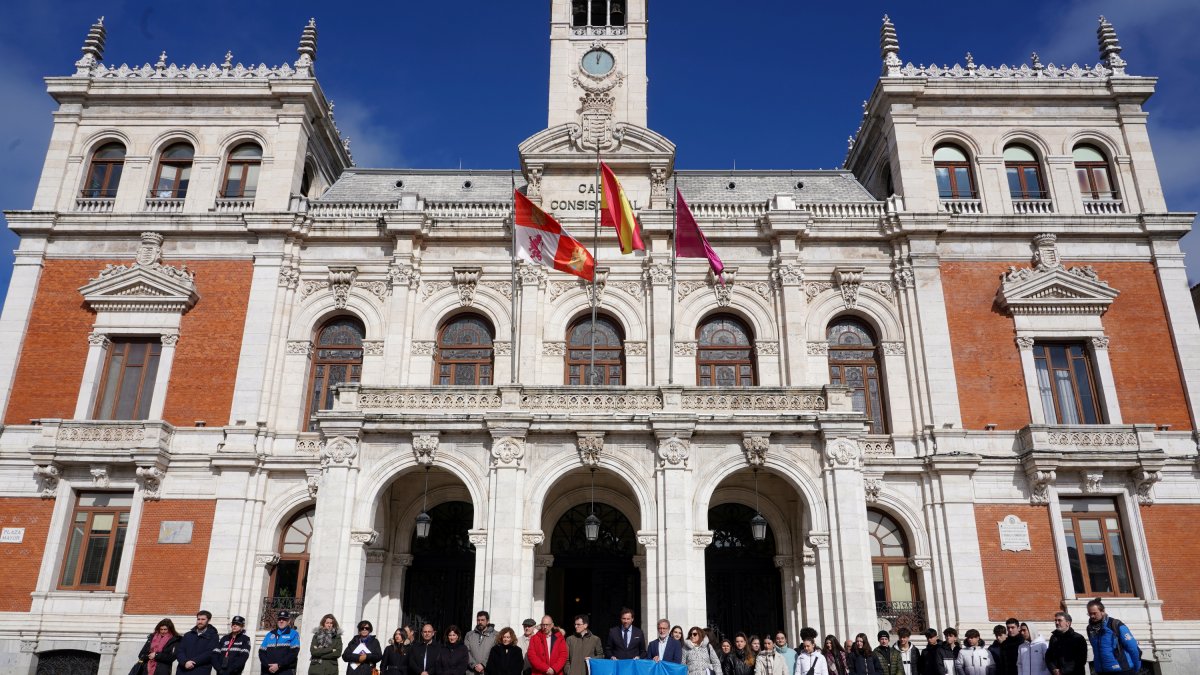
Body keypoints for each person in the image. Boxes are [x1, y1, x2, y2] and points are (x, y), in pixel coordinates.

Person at [1085, 599, 1141, 675]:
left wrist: (1136, 668)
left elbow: (1133, 648)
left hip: (1122, 671)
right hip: (1102, 671)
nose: (1092, 616)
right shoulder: (1090, 629)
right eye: (1090, 614)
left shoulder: (1116, 624)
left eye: (1094, 613)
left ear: (1102, 611)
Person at [178, 610, 220, 674]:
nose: (200, 622)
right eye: (198, 619)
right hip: (183, 670)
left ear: (208, 620)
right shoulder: (187, 635)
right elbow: (180, 651)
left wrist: (192, 662)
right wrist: (185, 662)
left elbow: (209, 653)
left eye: (203, 619)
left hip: (200, 670)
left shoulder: (213, 636)